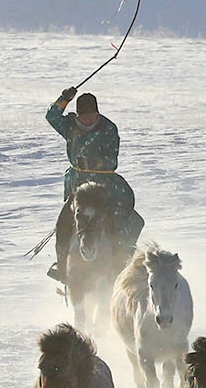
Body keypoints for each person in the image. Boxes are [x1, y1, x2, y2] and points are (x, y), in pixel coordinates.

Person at [45, 88, 143, 284]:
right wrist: (64, 99)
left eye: (92, 116)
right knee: (63, 224)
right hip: (78, 187)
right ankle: (63, 266)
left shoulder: (108, 128)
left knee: (124, 219)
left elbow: (111, 158)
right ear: (79, 115)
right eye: (85, 116)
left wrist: (92, 163)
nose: (89, 120)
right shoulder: (70, 126)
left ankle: (121, 258)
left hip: (105, 185)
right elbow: (52, 116)